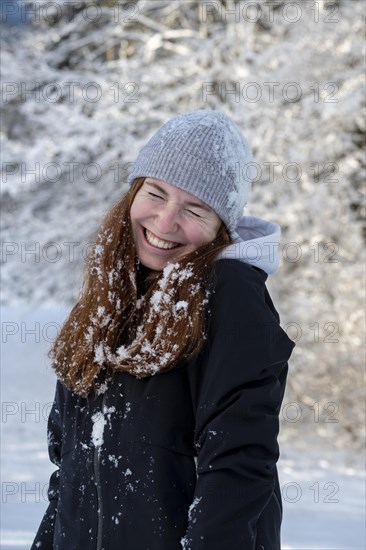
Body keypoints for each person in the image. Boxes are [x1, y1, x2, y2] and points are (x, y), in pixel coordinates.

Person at [31, 109, 295, 550]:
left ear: (220, 230)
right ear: (134, 192)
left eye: (194, 209)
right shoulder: (108, 297)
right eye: (156, 193)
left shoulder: (228, 293)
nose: (165, 222)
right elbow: (70, 469)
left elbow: (238, 463)